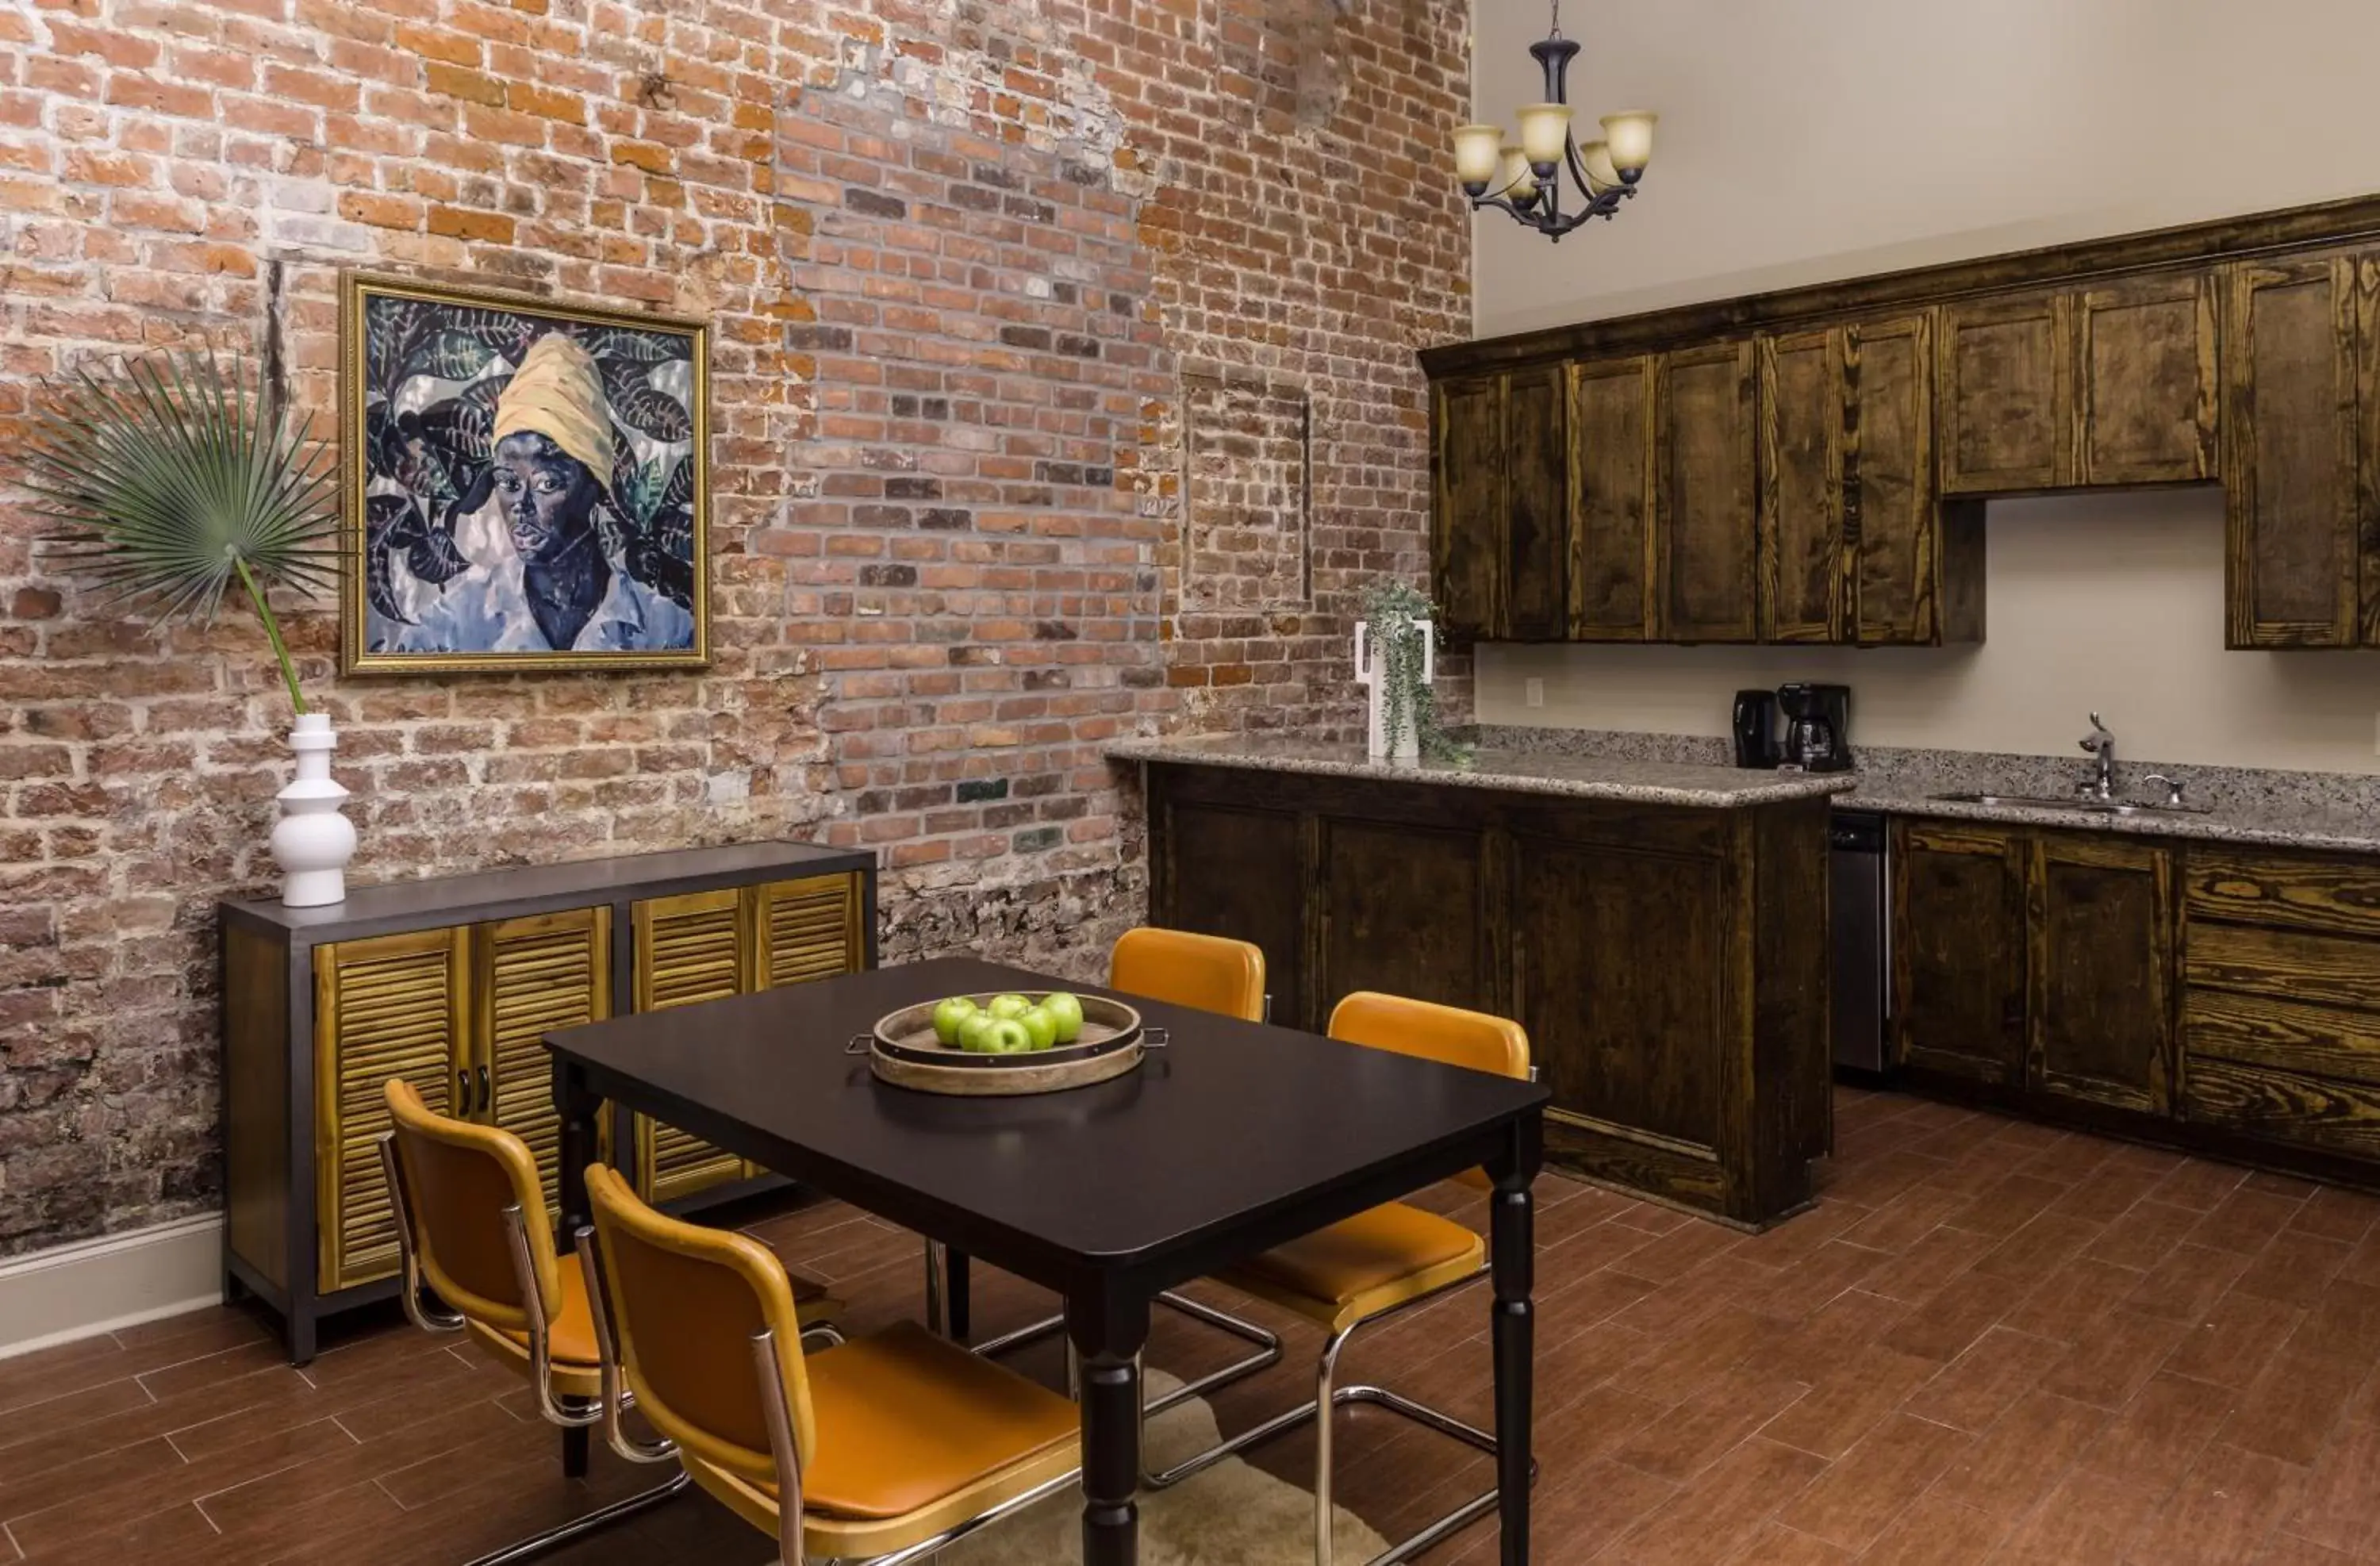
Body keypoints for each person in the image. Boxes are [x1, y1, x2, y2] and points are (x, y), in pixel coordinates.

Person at [380, 332, 692, 655]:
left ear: (596, 486)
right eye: (508, 484)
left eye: (547, 484)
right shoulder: (455, 623)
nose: (521, 506)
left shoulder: (667, 628)